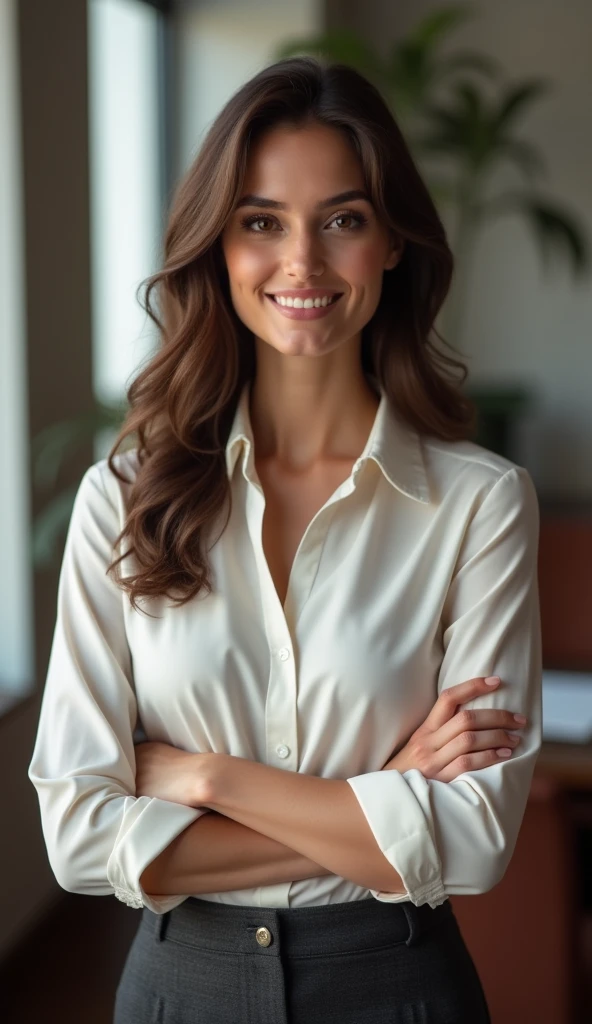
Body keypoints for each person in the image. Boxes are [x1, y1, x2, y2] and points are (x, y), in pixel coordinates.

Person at [28, 56, 541, 1023]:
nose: (301, 261)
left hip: (400, 986)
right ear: (217, 247)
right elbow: (80, 837)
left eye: (342, 219)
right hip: (180, 987)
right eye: (261, 221)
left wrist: (204, 778)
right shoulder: (124, 499)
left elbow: (474, 843)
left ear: (392, 241)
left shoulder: (482, 505)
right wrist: (388, 796)